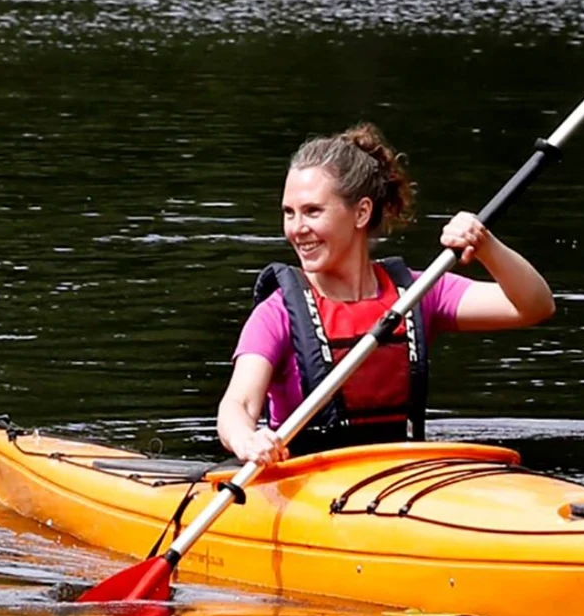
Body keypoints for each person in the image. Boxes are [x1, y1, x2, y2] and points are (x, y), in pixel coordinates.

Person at [217, 125, 555, 465]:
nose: (296, 228)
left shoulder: (418, 292)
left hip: (401, 479)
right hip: (306, 484)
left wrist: (486, 246)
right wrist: (247, 439)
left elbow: (534, 305)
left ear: (361, 213)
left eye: (313, 211)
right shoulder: (276, 314)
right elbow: (239, 405)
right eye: (289, 213)